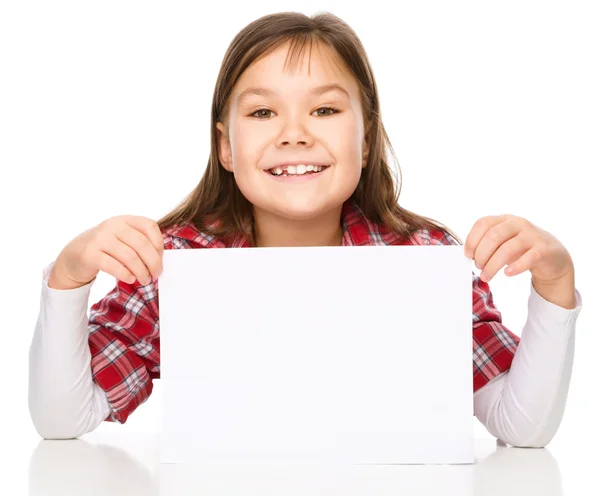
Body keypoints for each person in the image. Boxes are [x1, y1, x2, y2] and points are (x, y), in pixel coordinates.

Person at [29, 11, 582, 447]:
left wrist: (554, 284)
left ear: (366, 142)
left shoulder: (424, 261)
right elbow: (63, 419)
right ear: (225, 145)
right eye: (263, 113)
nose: (294, 135)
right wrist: (70, 276)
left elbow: (520, 425)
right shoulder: (173, 264)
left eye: (324, 110)